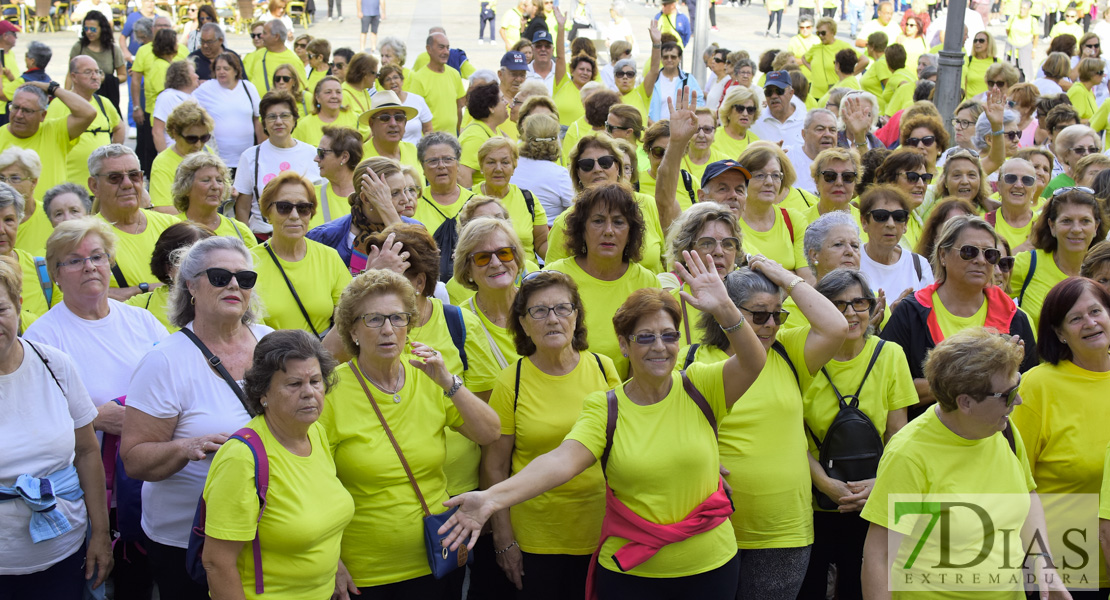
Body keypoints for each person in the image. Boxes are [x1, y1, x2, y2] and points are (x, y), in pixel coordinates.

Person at [438, 249, 769, 599]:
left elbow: (752, 361)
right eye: (645, 337)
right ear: (624, 346)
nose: (660, 347)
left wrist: (724, 308)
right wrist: (492, 498)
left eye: (669, 335)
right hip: (630, 572)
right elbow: (560, 461)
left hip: (711, 567)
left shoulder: (701, 384)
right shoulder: (606, 407)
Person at [318, 267, 499, 597]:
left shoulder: (428, 376)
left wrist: (449, 382)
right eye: (374, 319)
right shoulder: (330, 392)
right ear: (353, 331)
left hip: (440, 558)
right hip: (366, 572)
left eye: (398, 318)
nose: (388, 329)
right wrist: (331, 561)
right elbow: (313, 485)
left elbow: (489, 432)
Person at [860, 328, 1070, 599]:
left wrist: (1042, 560)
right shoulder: (910, 454)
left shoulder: (1001, 429)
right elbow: (879, 556)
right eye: (1009, 393)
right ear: (966, 402)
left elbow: (1028, 496)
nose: (1018, 400)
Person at [121, 236, 272, 600]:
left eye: (245, 278)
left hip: (267, 529)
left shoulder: (271, 345)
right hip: (189, 541)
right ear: (190, 285)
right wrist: (187, 447)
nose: (235, 284)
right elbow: (135, 460)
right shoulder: (165, 361)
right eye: (220, 276)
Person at [482, 269, 621, 596]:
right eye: (539, 311)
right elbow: (494, 466)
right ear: (524, 323)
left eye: (562, 308)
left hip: (601, 531)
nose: (552, 319)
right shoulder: (510, 380)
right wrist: (503, 539)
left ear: (576, 316)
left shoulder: (604, 368)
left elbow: (630, 442)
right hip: (536, 539)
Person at [201, 329, 355, 599]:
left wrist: (333, 566)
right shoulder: (241, 458)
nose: (309, 393)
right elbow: (217, 563)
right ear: (263, 393)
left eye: (316, 381)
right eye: (294, 384)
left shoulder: (315, 433)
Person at [796, 267, 916, 600]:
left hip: (871, 500)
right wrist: (826, 485)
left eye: (859, 303)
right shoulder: (801, 357)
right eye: (838, 304)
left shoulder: (890, 354)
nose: (850, 313)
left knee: (857, 588)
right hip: (812, 503)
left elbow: (898, 434)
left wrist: (879, 484)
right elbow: (789, 436)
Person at [0, 254, 112, 598]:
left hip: (65, 555)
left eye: (0, 309)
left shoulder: (54, 364)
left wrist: (100, 536)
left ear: (19, 305)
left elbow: (87, 451)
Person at [881, 215, 1038, 418]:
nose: (980, 260)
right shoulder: (912, 311)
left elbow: (1026, 390)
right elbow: (889, 386)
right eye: (969, 251)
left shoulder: (1014, 317)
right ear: (943, 255)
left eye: (990, 254)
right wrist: (975, 382)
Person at [1012, 277, 1110, 594]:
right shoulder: (1037, 387)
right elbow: (1013, 479)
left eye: (1096, 311)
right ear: (1059, 333)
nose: (1090, 323)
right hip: (1062, 569)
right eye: (1075, 318)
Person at [543, 182, 663, 377]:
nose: (609, 230)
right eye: (598, 221)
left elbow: (654, 351)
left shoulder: (647, 283)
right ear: (582, 228)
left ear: (631, 231)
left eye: (618, 222)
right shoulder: (554, 277)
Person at [249, 171, 350, 337]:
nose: (294, 216)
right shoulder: (249, 262)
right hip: (269, 356)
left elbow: (348, 318)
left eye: (303, 208)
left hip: (321, 355)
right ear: (268, 213)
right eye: (284, 208)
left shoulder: (329, 257)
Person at [90, 145, 180, 301]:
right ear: (94, 186)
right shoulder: (85, 236)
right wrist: (149, 290)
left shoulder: (171, 226)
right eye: (114, 178)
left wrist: (133, 291)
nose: (127, 184)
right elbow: (79, 294)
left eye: (134, 175)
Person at [1011, 188, 1108, 330]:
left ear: (1096, 227)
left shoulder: (1105, 270)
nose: (1076, 229)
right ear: (1052, 226)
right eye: (1067, 221)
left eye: (1085, 221)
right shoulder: (1028, 263)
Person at [234, 90, 321, 236]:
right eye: (272, 117)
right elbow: (242, 208)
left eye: (285, 115)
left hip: (308, 236)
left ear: (294, 120)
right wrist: (246, 241)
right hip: (265, 238)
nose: (278, 121)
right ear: (264, 123)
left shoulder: (312, 153)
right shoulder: (250, 156)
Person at [308, 156, 420, 269]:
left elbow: (421, 272)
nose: (405, 199)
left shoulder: (417, 229)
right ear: (366, 199)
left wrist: (391, 218)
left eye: (405, 190)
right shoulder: (324, 236)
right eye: (394, 193)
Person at [660, 202, 743, 345]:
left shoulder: (751, 296)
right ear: (685, 249)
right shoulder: (667, 303)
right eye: (706, 243)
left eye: (728, 244)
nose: (718, 252)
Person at [0, 83, 95, 204]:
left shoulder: (55, 131)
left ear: (43, 115)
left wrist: (52, 88)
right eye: (15, 107)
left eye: (27, 110)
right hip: (7, 218)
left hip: (52, 217)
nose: (18, 115)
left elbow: (88, 113)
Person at [49, 57, 125, 195]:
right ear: (74, 77)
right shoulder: (59, 104)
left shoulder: (104, 102)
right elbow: (49, 137)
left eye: (97, 72)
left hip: (101, 187)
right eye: (88, 72)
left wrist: (112, 154)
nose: (95, 76)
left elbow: (119, 127)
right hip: (70, 187)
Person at [124, 222, 214, 331]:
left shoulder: (230, 304)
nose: (199, 270)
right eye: (188, 262)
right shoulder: (139, 307)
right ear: (167, 267)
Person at [858, 185, 935, 307]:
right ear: (864, 222)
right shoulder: (851, 262)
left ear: (905, 225)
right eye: (881, 216)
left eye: (899, 217)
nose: (890, 224)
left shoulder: (919, 265)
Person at [474, 138, 548, 261]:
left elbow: (542, 242)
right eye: (491, 162)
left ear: (514, 167)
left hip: (527, 276)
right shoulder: (468, 198)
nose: (498, 168)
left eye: (505, 162)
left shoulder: (527, 198)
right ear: (481, 167)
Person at [193, 52, 263, 174]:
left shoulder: (248, 87)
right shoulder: (206, 88)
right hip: (216, 160)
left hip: (246, 159)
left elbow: (257, 120)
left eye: (226, 68)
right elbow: (188, 106)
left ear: (235, 71)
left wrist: (262, 150)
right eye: (218, 68)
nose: (221, 72)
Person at [172, 153, 254, 245]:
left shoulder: (240, 231)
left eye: (219, 180)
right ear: (186, 187)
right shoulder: (171, 227)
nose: (215, 187)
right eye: (206, 180)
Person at [131, 28, 181, 176]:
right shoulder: (161, 67)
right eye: (176, 41)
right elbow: (165, 95)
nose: (178, 44)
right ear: (170, 45)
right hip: (161, 121)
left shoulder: (163, 64)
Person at [511, 113, 575, 226]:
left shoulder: (511, 165)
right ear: (556, 139)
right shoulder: (559, 174)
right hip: (547, 237)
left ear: (525, 136)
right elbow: (574, 211)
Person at [149, 101, 214, 212]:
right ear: (175, 134)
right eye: (191, 139)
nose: (198, 144)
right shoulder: (163, 162)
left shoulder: (208, 152)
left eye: (204, 138)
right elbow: (162, 209)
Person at [69, 10, 126, 113]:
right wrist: (67, 95)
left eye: (93, 29)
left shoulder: (113, 50)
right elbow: (70, 75)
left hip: (106, 99)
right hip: (82, 98)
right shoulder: (79, 48)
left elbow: (123, 76)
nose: (89, 32)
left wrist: (107, 79)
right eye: (86, 28)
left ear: (102, 29)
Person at [410, 32, 467, 134]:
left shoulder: (454, 74)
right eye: (441, 47)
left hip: (452, 141)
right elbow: (415, 115)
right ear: (429, 49)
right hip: (430, 143)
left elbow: (459, 106)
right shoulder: (418, 78)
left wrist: (460, 133)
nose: (446, 52)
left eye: (447, 48)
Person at [308, 125, 361, 229]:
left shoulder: (370, 197)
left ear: (344, 157)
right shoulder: (309, 196)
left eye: (321, 152)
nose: (316, 158)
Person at [360, 90, 421, 173]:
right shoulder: (359, 156)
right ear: (371, 124)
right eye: (385, 118)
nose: (393, 124)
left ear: (405, 122)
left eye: (399, 117)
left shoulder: (413, 150)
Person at [986, 158, 1039, 250]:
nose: (1018, 185)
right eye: (1011, 178)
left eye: (1027, 180)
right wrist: (1023, 248)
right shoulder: (984, 223)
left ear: (1034, 190)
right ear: (999, 186)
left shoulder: (1043, 226)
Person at [292, 76, 359, 147]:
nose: (334, 96)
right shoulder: (303, 125)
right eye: (328, 92)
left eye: (338, 92)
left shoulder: (355, 118)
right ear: (317, 97)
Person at [150, 60, 200, 154]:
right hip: (174, 154)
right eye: (193, 72)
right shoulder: (167, 97)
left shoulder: (193, 97)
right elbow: (157, 131)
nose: (197, 76)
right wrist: (164, 158)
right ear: (184, 77)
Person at [803, 18, 857, 101]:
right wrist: (812, 69)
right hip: (815, 94)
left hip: (835, 95)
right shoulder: (815, 48)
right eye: (818, 33)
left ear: (832, 32)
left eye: (823, 33)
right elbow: (804, 58)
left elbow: (864, 60)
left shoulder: (843, 45)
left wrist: (849, 75)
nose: (820, 36)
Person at [376, 65, 433, 144]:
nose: (393, 82)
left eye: (395, 77)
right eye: (388, 79)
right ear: (383, 85)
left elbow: (428, 129)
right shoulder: (379, 104)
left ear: (402, 80)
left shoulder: (417, 100)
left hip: (416, 152)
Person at [246, 20, 304, 94]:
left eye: (265, 33)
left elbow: (300, 89)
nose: (261, 36)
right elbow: (250, 77)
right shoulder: (260, 53)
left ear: (276, 36)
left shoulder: (294, 60)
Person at [750, 70, 806, 146]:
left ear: (791, 93)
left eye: (779, 91)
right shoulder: (755, 122)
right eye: (769, 92)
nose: (773, 96)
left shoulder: (806, 121)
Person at [1043, 125, 1101, 198]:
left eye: (1092, 149)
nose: (1087, 154)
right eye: (1079, 150)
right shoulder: (1055, 186)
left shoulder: (1104, 181)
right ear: (1066, 154)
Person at [932, 148, 994, 215]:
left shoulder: (992, 214)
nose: (965, 181)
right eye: (957, 175)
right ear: (945, 181)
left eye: (971, 175)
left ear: (980, 180)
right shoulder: (931, 209)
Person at [714, 86, 761, 158]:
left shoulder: (756, 142)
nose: (745, 114)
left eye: (750, 109)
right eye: (740, 108)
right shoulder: (713, 137)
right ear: (729, 110)